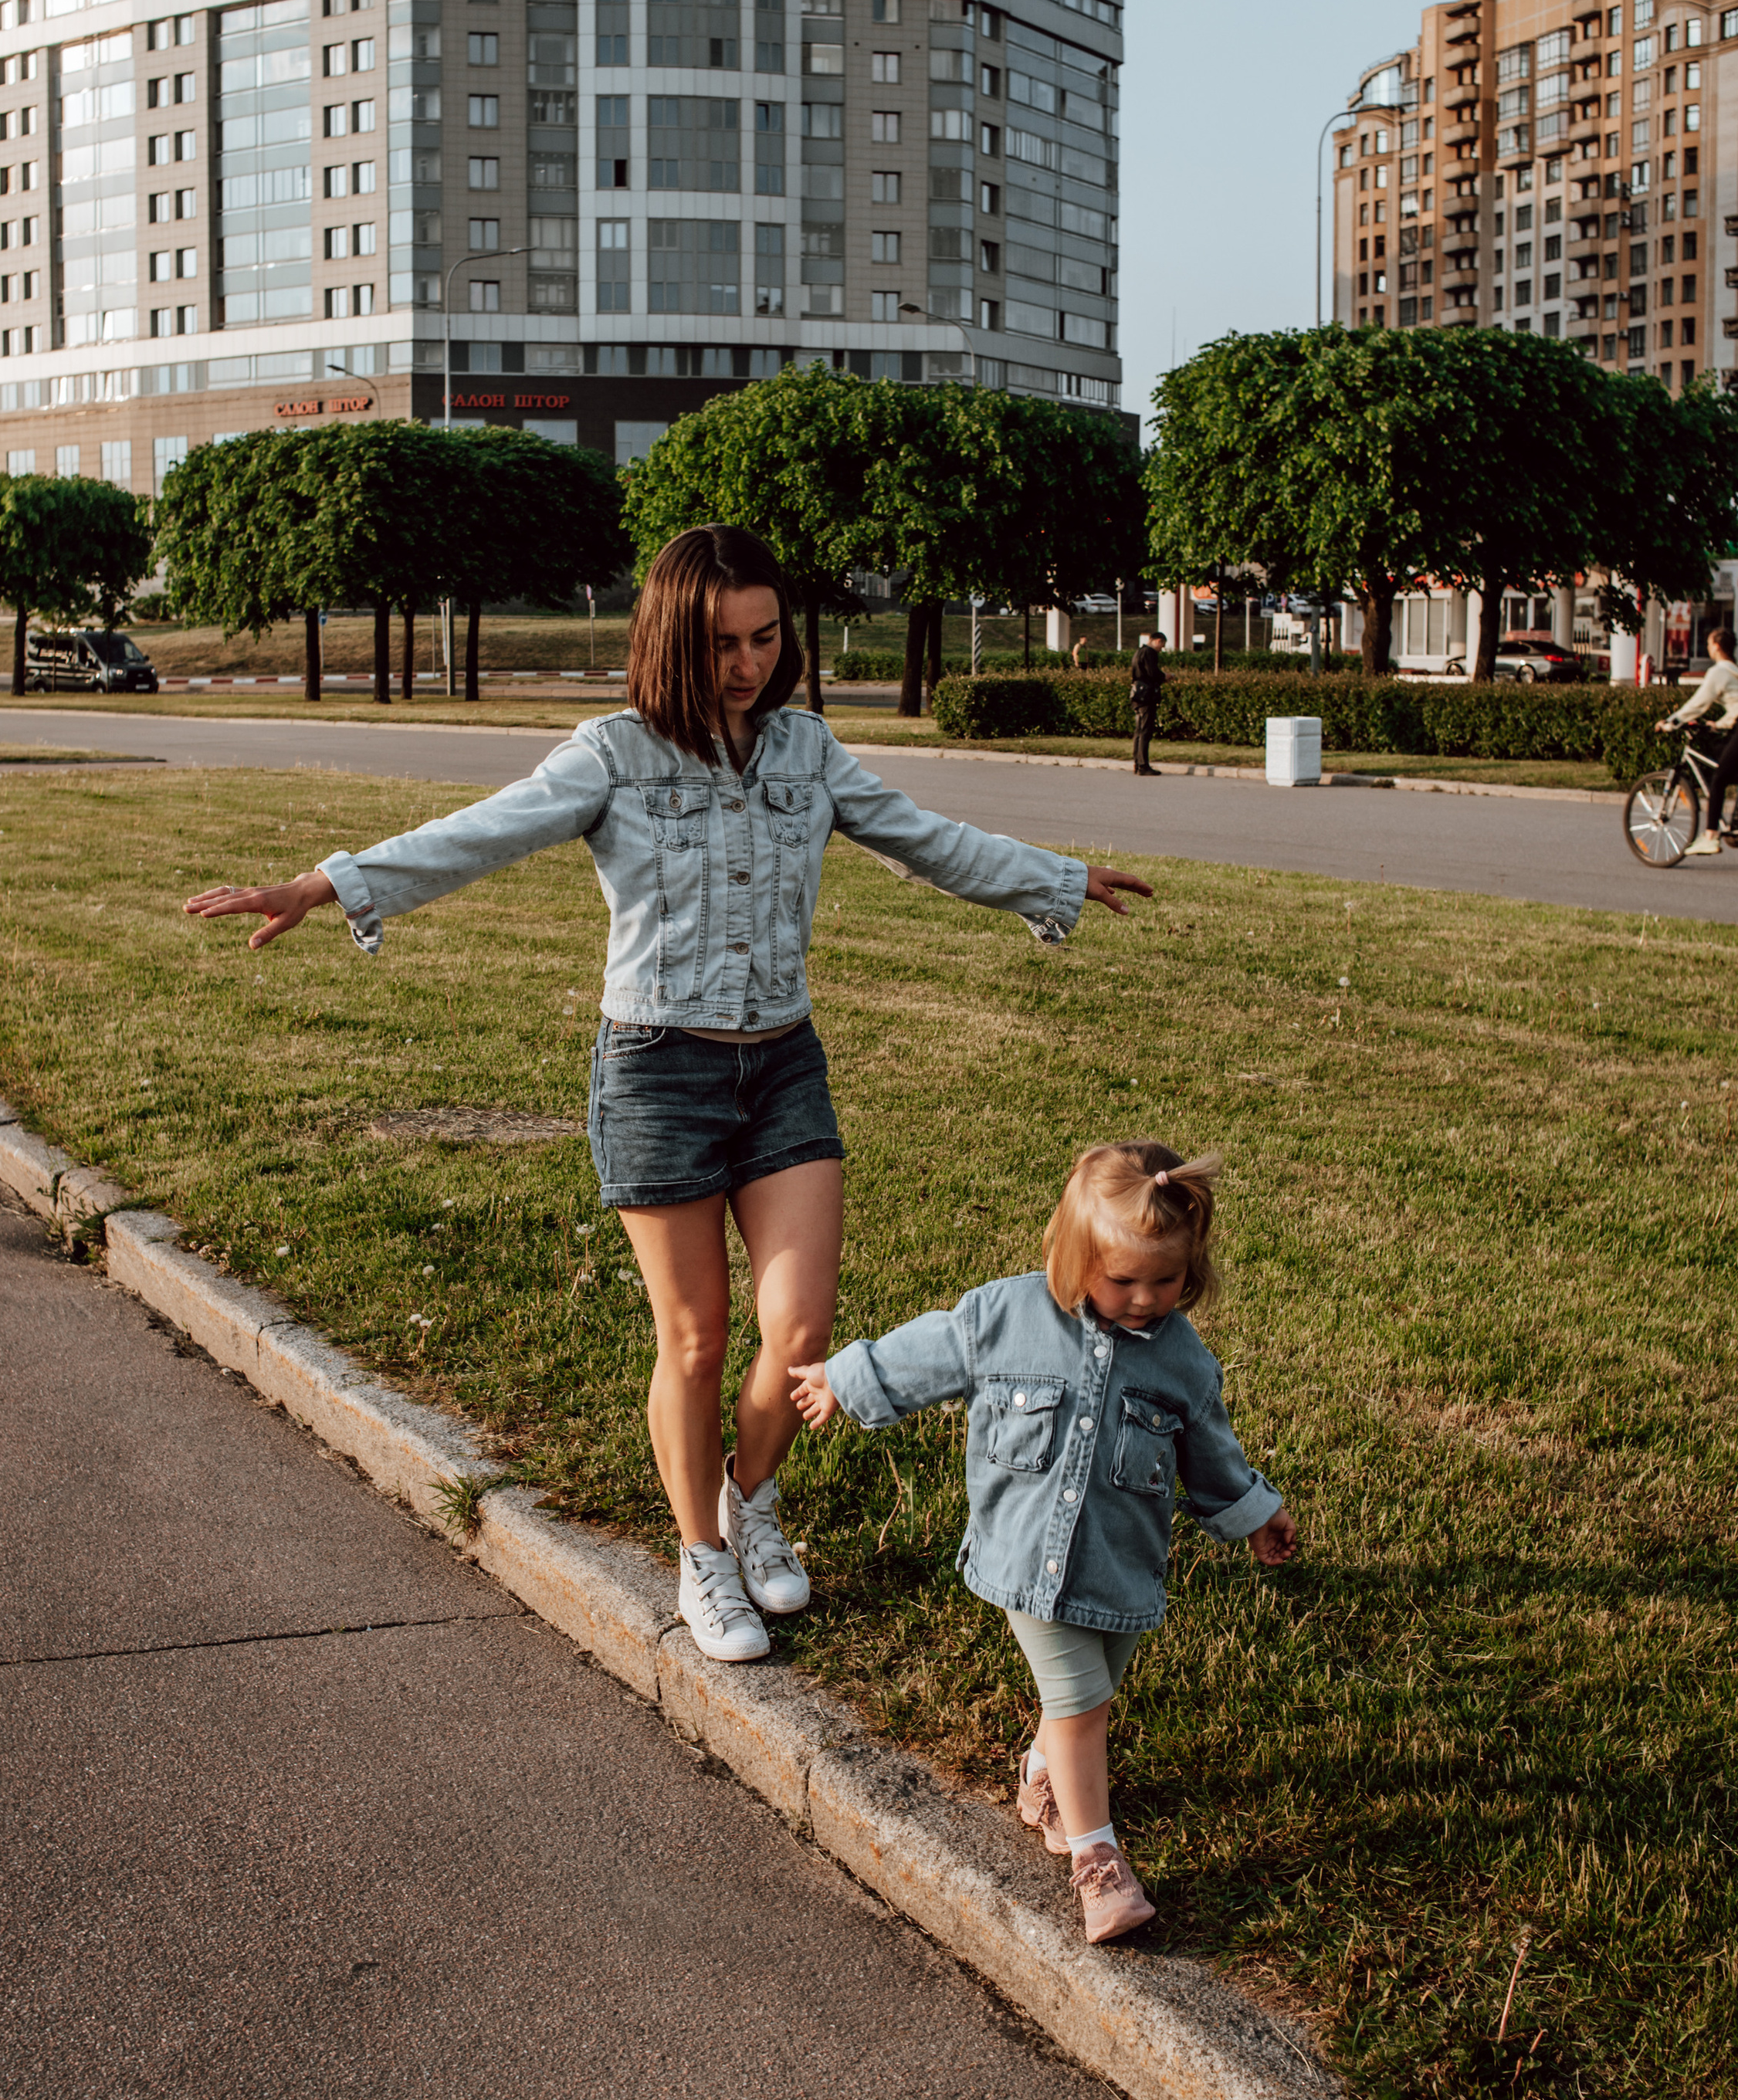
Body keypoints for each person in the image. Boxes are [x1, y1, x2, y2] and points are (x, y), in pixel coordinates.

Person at [183, 524, 1153, 1668]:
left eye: (764, 637)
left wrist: (1053, 877)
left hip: (784, 1063)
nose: (746, 664)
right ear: (669, 640)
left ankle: (749, 1497)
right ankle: (701, 1554)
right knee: (694, 1341)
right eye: (720, 644)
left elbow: (923, 839)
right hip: (658, 1069)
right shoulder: (615, 753)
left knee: (799, 1333)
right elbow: (479, 834)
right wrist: (322, 882)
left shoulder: (806, 750)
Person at [786, 1140, 1297, 1942]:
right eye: (1122, 1279)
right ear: (1073, 1253)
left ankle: (1042, 1778)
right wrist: (846, 1380)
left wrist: (1253, 1511)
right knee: (1080, 1700)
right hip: (1028, 1556)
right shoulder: (1007, 1314)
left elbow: (1210, 1451)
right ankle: (1099, 1864)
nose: (1142, 1298)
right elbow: (931, 1349)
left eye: (1164, 1280)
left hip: (1120, 1565)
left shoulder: (1182, 1361)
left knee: (1096, 1685)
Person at [1658, 618, 1738, 855]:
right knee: (1723, 753)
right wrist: (1719, 724)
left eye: (1709, 643)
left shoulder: (1719, 671)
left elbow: (1697, 704)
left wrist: (1671, 722)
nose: (1708, 648)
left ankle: (1710, 837)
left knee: (1719, 779)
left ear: (1717, 646)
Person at [1130, 628, 1167, 776]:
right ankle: (1144, 765)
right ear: (1158, 641)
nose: (1161, 650)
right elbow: (1153, 673)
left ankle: (1137, 763)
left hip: (1137, 695)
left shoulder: (1139, 652)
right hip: (1147, 696)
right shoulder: (1150, 653)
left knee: (1139, 731)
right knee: (1146, 731)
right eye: (1162, 646)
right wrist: (1165, 676)